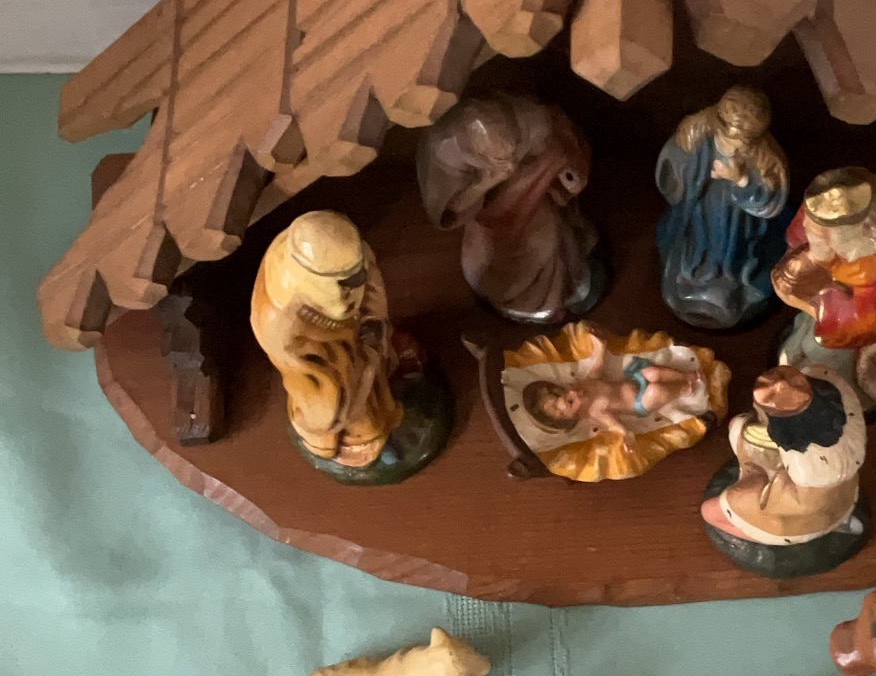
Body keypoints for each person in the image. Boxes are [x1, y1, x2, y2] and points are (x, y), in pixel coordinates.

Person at [417, 93, 601, 325]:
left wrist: (565, 170)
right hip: (491, 212)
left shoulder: (526, 121)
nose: (507, 158)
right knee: (507, 268)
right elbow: (451, 210)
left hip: (532, 197)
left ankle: (566, 276)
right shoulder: (449, 148)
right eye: (497, 154)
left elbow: (560, 143)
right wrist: (488, 181)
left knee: (550, 237)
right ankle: (538, 301)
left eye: (508, 149)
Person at [772, 167, 876, 413]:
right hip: (824, 308)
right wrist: (809, 269)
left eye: (823, 231)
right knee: (804, 339)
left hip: (846, 332)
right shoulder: (818, 233)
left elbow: (866, 324)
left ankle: (836, 388)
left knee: (822, 353)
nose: (814, 232)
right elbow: (797, 244)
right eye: (814, 226)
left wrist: (811, 306)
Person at [250, 211, 401, 468]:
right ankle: (361, 443)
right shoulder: (283, 323)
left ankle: (382, 417)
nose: (352, 289)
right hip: (333, 375)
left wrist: (372, 323)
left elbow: (371, 288)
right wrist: (350, 373)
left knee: (377, 384)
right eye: (343, 285)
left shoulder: (353, 257)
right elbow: (310, 379)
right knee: (355, 416)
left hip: (361, 345)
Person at [655, 86, 789, 329]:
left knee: (734, 251)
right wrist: (687, 170)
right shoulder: (697, 137)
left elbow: (770, 198)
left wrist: (741, 180)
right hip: (701, 211)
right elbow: (673, 168)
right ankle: (694, 275)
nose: (733, 151)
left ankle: (729, 279)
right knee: (695, 245)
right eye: (728, 143)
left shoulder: (766, 160)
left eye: (740, 148)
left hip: (739, 222)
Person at [701, 365, 866, 546]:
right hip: (826, 490)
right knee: (738, 426)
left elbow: (800, 476)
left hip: (794, 505)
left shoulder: (811, 467)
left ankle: (771, 538)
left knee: (709, 512)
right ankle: (836, 520)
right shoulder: (830, 386)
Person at [521, 332, 701, 454]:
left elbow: (598, 368)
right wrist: (626, 436)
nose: (572, 395)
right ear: (572, 417)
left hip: (635, 380)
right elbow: (615, 424)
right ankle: (682, 390)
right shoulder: (595, 411)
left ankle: (685, 375)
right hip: (640, 402)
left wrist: (599, 348)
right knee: (656, 390)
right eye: (569, 403)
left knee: (652, 373)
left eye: (563, 395)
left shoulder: (586, 383)